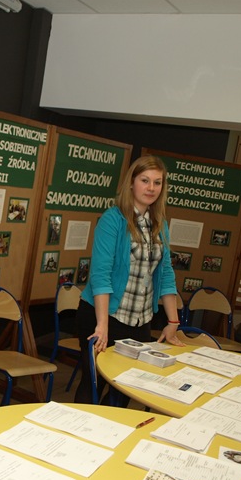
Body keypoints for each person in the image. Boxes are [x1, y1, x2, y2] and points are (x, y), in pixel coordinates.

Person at [75, 155, 184, 404]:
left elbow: (166, 273)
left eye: (157, 182)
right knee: (94, 383)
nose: (151, 188)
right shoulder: (113, 219)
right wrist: (102, 325)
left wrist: (173, 321)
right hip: (104, 315)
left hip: (140, 320)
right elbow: (100, 275)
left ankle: (109, 427)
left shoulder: (160, 224)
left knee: (127, 387)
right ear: (132, 183)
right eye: (145, 180)